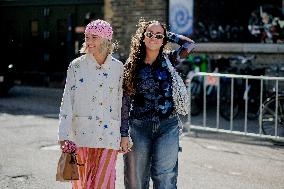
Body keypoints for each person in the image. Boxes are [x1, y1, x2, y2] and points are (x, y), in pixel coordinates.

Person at [121, 19, 196, 189]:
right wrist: (123, 133)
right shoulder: (131, 66)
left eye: (158, 36)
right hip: (138, 128)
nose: (153, 38)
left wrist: (165, 34)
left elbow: (189, 45)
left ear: (164, 40)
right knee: (136, 180)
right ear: (142, 37)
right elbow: (124, 103)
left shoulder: (170, 60)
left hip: (167, 126)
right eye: (149, 34)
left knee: (165, 178)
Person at [58, 19, 128, 189]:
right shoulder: (76, 66)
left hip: (109, 136)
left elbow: (122, 103)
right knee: (82, 184)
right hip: (81, 135)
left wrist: (124, 134)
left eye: (94, 37)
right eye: (87, 37)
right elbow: (67, 101)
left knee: (104, 184)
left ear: (106, 40)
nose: (89, 42)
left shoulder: (119, 68)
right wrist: (63, 134)